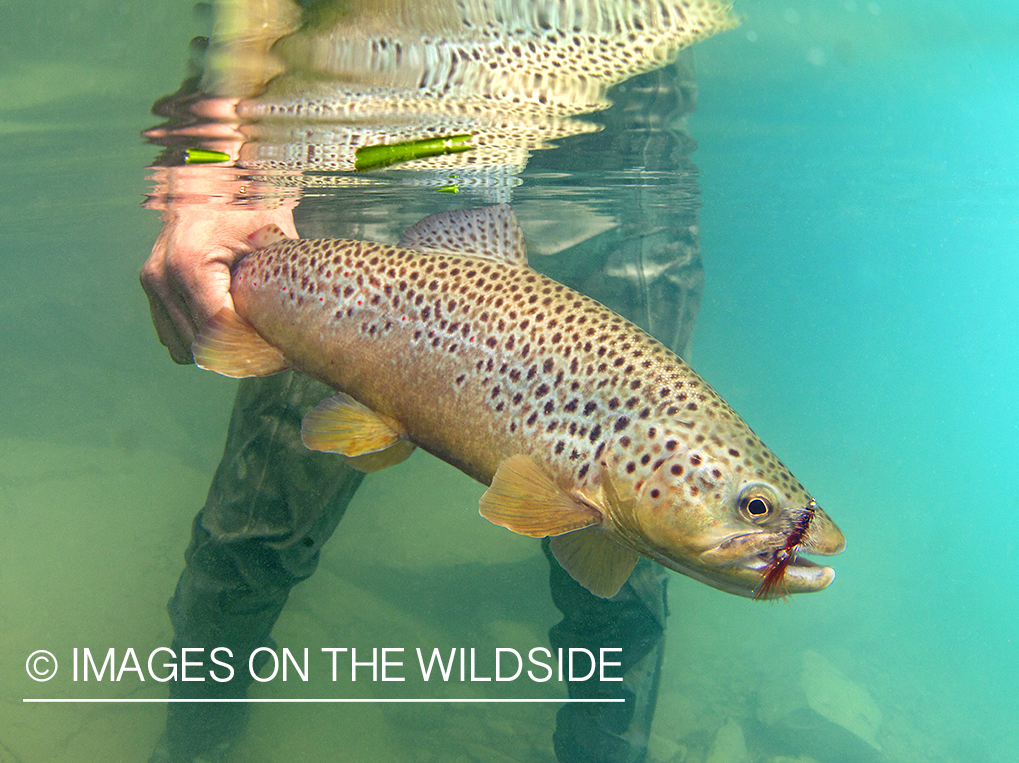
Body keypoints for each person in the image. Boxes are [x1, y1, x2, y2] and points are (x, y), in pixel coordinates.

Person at [141, 2, 729, 761]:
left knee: (635, 546)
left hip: (618, 99)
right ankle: (195, 744)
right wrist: (213, 163)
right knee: (256, 530)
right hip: (377, 87)